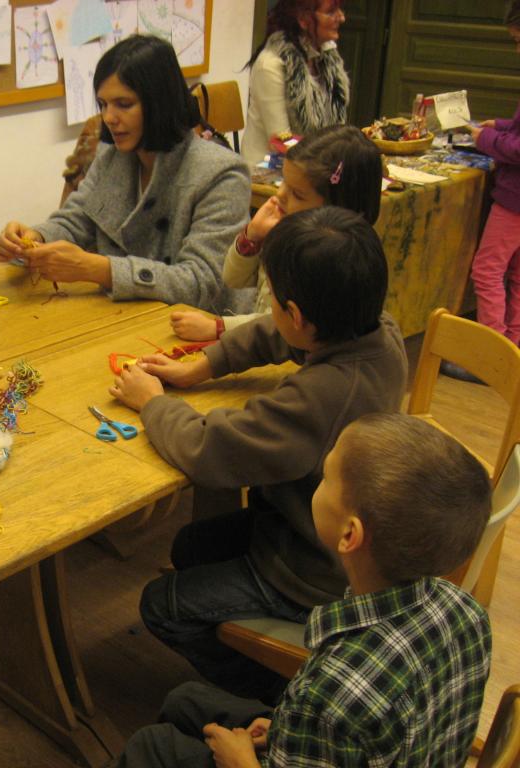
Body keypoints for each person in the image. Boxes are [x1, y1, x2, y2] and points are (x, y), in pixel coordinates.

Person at [110, 207, 408, 701]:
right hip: (322, 537)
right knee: (191, 546)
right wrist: (205, 364)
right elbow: (279, 334)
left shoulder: (319, 397)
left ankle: (288, 693)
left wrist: (153, 402)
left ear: (297, 315)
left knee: (161, 605)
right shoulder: (378, 332)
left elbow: (209, 449)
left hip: (312, 573)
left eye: (280, 307)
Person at [111, 413, 492, 767]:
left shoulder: (333, 692)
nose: (318, 483)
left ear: (349, 534)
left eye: (326, 477)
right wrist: (284, 729)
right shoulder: (466, 611)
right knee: (185, 699)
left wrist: (241, 761)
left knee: (152, 745)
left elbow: (335, 709)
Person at [0, 35, 251, 309]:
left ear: (159, 103)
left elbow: (200, 282)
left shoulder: (221, 174)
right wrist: (35, 237)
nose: (108, 118)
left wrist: (98, 269)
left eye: (124, 104)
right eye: (103, 104)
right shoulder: (111, 157)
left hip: (203, 326)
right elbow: (77, 220)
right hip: (130, 316)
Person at [171, 124, 382, 341]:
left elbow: (279, 326)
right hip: (260, 345)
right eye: (283, 182)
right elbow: (233, 279)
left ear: (337, 208)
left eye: (297, 194)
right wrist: (252, 237)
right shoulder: (289, 230)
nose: (280, 195)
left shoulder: (329, 260)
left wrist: (219, 327)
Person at [466, 1, 520, 348]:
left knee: (487, 270)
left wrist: (483, 138)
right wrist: (501, 125)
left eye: (519, 40)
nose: (517, 49)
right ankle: (512, 348)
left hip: (515, 199)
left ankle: (491, 354)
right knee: (517, 275)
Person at [241, 0, 350, 168]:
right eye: (331, 12)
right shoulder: (270, 65)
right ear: (304, 19)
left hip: (315, 165)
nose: (341, 18)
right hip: (267, 172)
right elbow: (282, 143)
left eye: (340, 10)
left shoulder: (327, 58)